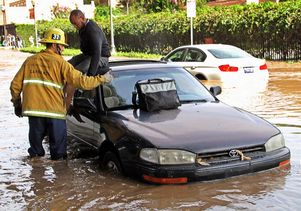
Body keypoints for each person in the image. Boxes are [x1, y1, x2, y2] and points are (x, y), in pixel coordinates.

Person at [10, 28, 112, 160]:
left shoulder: (30, 61)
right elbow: (82, 82)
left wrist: (17, 104)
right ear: (54, 44)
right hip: (54, 113)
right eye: (61, 46)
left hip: (34, 112)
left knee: (35, 155)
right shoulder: (61, 64)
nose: (63, 50)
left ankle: (36, 178)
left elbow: (15, 86)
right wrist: (102, 79)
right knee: (58, 156)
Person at [65, 9, 111, 109]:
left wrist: (90, 75)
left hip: (101, 57)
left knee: (75, 73)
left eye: (75, 24)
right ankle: (61, 94)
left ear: (81, 18)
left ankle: (69, 101)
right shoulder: (82, 28)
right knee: (66, 66)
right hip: (87, 55)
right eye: (73, 24)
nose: (75, 26)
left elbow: (97, 53)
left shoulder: (92, 30)